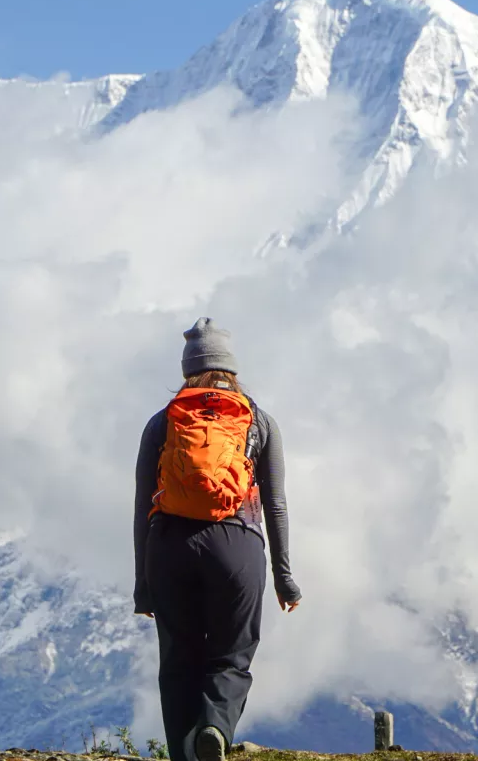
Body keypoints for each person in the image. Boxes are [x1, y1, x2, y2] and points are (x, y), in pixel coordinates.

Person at [133, 317, 302, 761]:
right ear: (232, 367)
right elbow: (276, 504)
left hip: (169, 544)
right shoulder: (258, 422)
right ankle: (215, 727)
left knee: (178, 662)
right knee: (231, 655)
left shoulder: (163, 423)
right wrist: (285, 578)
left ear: (188, 369)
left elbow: (141, 504)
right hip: (237, 545)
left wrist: (142, 582)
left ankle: (184, 755)